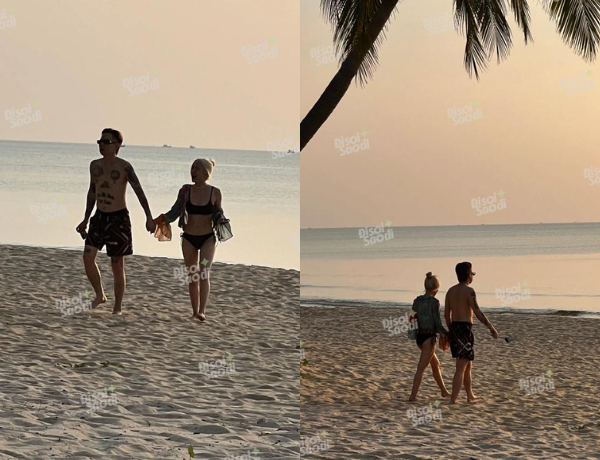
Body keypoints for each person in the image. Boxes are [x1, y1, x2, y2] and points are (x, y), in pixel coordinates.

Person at [76, 128, 156, 314]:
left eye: (106, 142)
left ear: (117, 146)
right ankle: (100, 295)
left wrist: (149, 217)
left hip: (118, 218)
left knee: (117, 264)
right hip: (99, 216)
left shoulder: (125, 167)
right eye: (100, 142)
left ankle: (117, 306)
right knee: (87, 257)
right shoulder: (94, 165)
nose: (102, 145)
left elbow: (139, 191)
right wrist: (85, 218)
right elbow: (92, 192)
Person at [155, 158, 225, 322]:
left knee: (204, 271)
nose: (193, 171)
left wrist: (220, 219)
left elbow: (218, 212)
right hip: (189, 239)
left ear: (206, 173)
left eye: (197, 168)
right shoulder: (185, 191)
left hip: (207, 239)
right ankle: (194, 312)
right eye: (192, 168)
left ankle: (202, 311)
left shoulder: (215, 192)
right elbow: (174, 211)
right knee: (193, 274)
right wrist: (158, 220)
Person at [445, 262, 499, 404]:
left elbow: (446, 315)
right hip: (464, 329)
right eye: (472, 273)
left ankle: (470, 395)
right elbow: (478, 312)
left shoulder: (450, 291)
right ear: (469, 275)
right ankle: (453, 399)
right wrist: (491, 327)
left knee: (467, 364)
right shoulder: (469, 291)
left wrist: (450, 331)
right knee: (460, 367)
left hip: (455, 327)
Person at [408, 272, 451, 401]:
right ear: (436, 288)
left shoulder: (417, 301)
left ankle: (443, 391)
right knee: (420, 369)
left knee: (436, 364)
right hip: (429, 338)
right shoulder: (434, 302)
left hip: (420, 338)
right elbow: (437, 323)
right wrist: (446, 334)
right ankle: (413, 396)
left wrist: (413, 335)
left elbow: (412, 319)